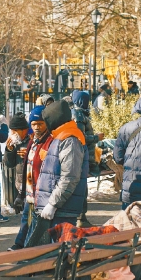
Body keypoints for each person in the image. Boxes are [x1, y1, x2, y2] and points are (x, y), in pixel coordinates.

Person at [24, 100, 88, 247]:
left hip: (61, 209)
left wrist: (52, 204)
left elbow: (69, 177)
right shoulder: (60, 136)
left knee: (58, 254)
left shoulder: (70, 139)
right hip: (54, 207)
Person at [7, 107, 49, 250]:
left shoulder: (33, 141)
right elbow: (9, 163)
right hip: (25, 186)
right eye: (34, 124)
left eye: (15, 131)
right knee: (27, 218)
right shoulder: (16, 141)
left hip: (36, 187)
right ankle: (21, 245)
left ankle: (23, 246)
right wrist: (9, 150)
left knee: (32, 219)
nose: (13, 134)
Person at [72, 90, 101, 227]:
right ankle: (80, 218)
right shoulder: (78, 115)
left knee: (82, 187)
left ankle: (81, 217)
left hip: (84, 155)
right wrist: (96, 138)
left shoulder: (80, 113)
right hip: (82, 155)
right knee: (81, 187)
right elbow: (80, 137)